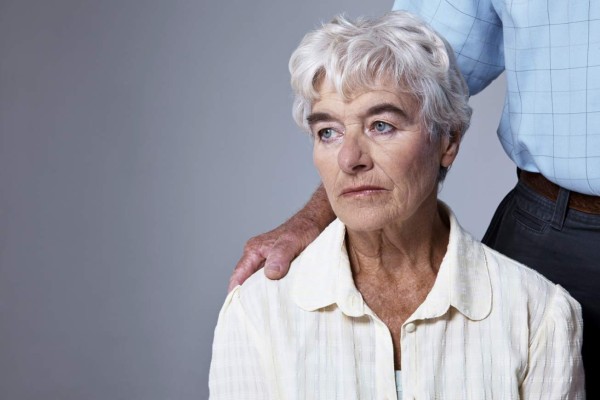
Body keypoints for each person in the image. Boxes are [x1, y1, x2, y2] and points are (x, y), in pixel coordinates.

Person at [229, 1, 600, 396]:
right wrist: (313, 218)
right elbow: (399, 65)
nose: (350, 158)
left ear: (451, 141)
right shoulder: (256, 311)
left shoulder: (544, 311)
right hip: (564, 233)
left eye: (381, 127)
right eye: (327, 133)